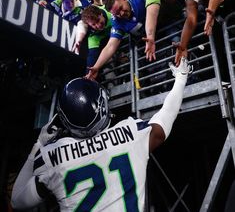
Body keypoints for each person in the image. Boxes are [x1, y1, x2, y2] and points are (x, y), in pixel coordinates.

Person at [11, 56, 192, 212]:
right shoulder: (131, 133)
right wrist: (181, 79)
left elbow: (17, 202)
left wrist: (38, 145)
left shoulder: (51, 157)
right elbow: (164, 119)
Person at [86, 0, 146, 80]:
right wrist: (96, 67)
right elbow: (110, 46)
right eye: (117, 13)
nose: (121, 14)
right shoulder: (117, 21)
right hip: (145, 43)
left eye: (121, 8)